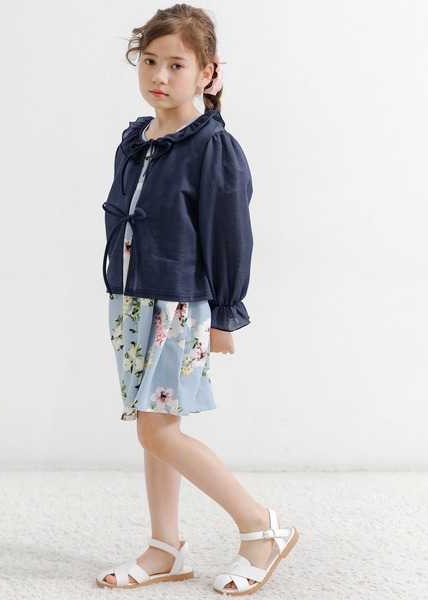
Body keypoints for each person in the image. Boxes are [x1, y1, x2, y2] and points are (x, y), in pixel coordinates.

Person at [96, 4, 298, 596]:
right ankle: (166, 547)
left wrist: (226, 313)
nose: (159, 76)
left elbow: (229, 234)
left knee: (158, 432)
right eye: (149, 61)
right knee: (153, 425)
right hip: (133, 300)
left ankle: (261, 528)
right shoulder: (136, 139)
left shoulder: (213, 147)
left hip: (180, 306)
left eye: (176, 65)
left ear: (208, 73)